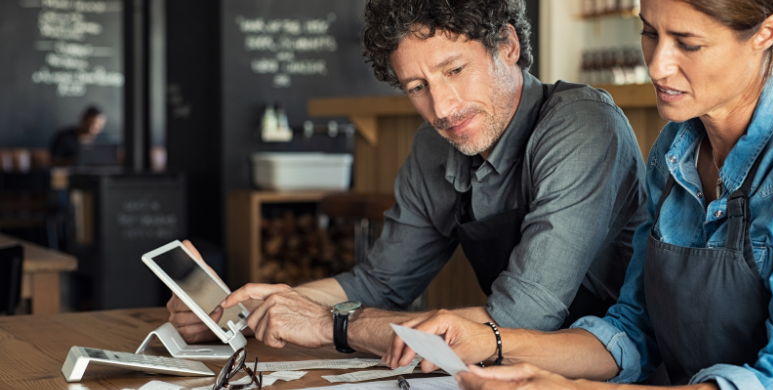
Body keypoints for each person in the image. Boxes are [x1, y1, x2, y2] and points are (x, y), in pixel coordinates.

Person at [385, 0, 773, 389]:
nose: (658, 65)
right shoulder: (675, 148)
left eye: (686, 43)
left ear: (765, 34)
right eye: (650, 32)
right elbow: (631, 331)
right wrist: (491, 342)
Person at [167, 0, 647, 356]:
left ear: (508, 45)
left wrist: (331, 326)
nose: (442, 108)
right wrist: (240, 312)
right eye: (417, 88)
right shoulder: (434, 146)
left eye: (455, 70)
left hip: (616, 371)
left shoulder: (582, 125)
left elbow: (520, 320)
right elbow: (379, 282)